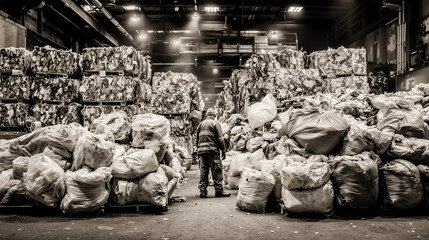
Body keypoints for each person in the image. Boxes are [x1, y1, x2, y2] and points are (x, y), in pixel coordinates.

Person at [195, 108, 230, 198]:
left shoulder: (200, 124)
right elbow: (220, 139)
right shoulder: (215, 123)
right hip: (212, 151)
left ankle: (203, 192)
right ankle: (219, 191)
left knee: (203, 171)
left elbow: (197, 139)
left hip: (202, 151)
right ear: (214, 116)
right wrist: (223, 150)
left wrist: (198, 151)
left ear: (206, 116)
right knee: (216, 170)